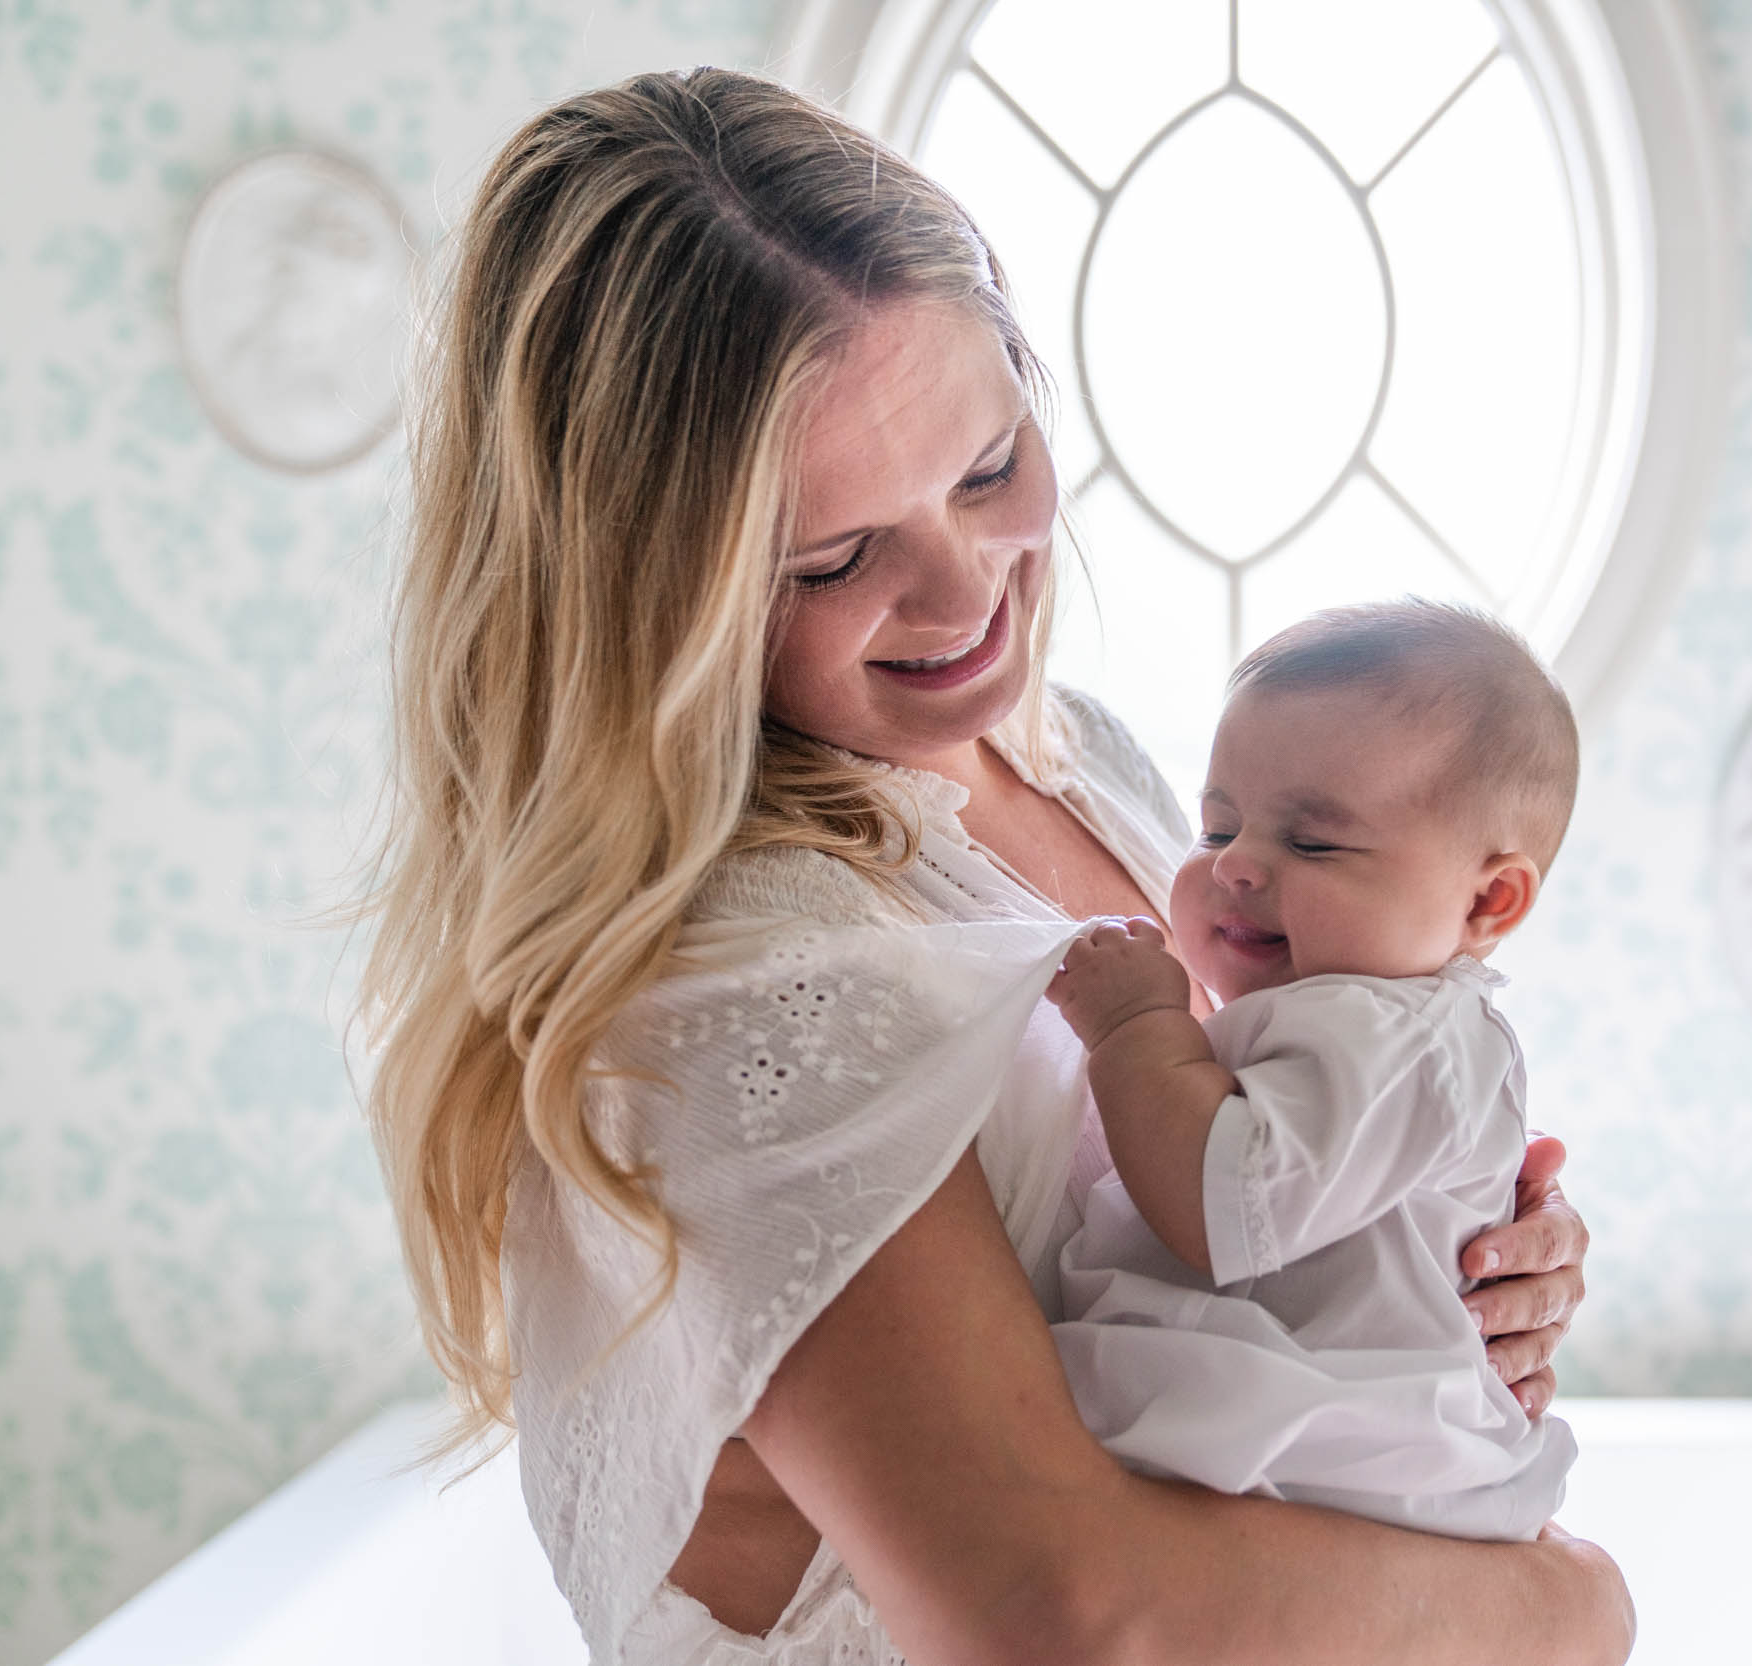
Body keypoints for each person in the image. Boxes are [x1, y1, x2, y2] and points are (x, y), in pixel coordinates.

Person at [359, 66, 1628, 1666]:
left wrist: (1435, 1254)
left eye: (983, 468)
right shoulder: (741, 967)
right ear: (653, 604)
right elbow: (1069, 1618)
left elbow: (1219, 1217)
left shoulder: (1076, 760)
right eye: (831, 558)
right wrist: (1570, 1607)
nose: (965, 595)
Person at [1045, 600, 1581, 1541]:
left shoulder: (1393, 1034)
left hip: (1343, 1475)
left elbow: (1223, 1204)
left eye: (1313, 842)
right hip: (1297, 1465)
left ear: (1487, 899)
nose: (1238, 867)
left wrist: (1135, 1026)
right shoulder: (1359, 1020)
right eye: (1218, 829)